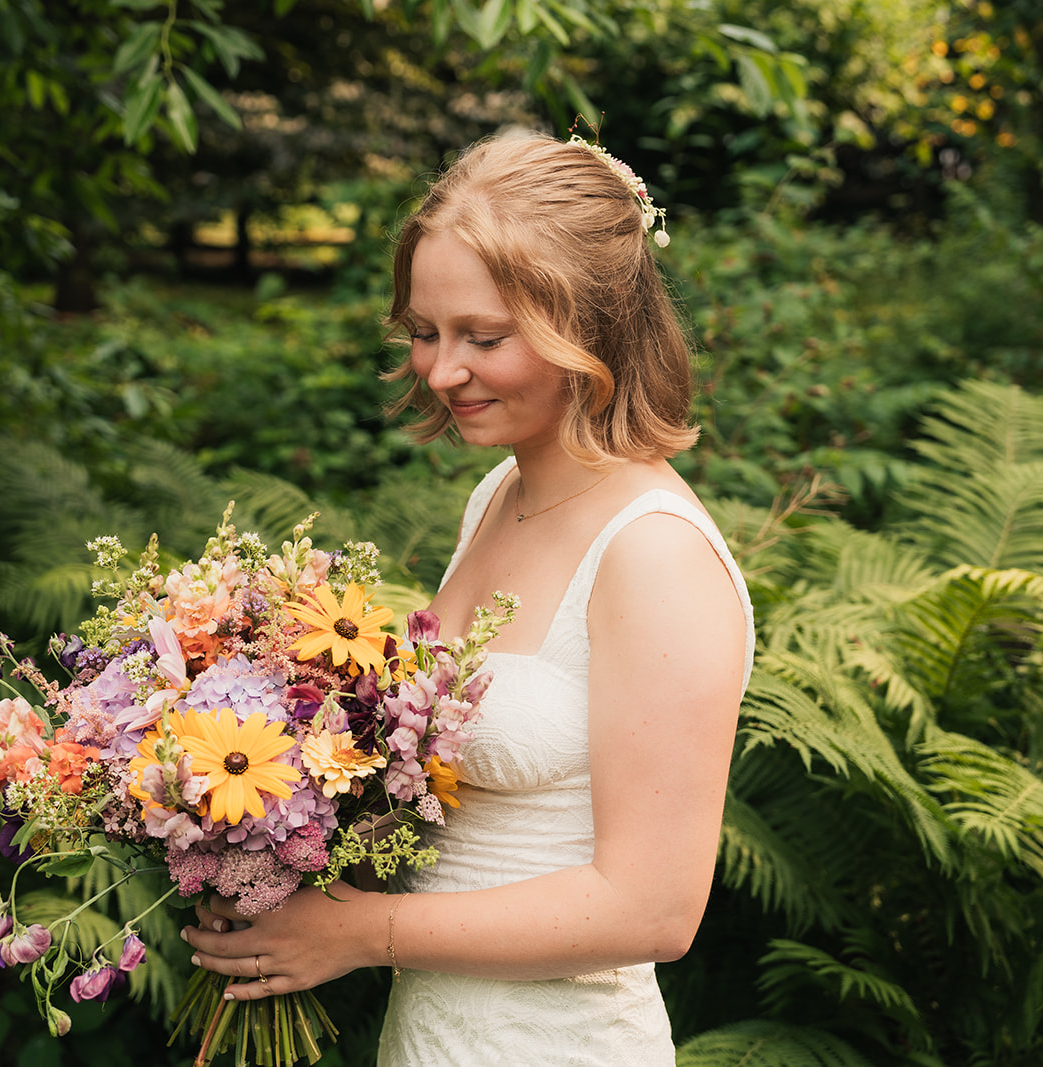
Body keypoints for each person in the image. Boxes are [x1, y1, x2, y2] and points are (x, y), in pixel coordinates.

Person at [181, 129, 755, 1065]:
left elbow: (653, 906)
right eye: (423, 331)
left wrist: (361, 931)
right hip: (437, 1032)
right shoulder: (501, 495)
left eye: (482, 337)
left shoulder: (655, 557)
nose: (441, 372)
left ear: (591, 325)